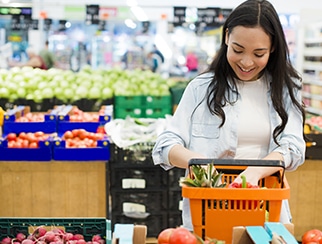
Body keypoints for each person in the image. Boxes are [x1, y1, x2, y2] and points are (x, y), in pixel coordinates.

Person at [152, 0, 306, 231]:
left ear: (273, 48)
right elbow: (165, 145)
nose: (246, 62)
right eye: (238, 50)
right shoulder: (201, 88)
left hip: (265, 213)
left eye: (258, 53)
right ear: (226, 38)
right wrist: (201, 165)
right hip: (207, 214)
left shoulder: (286, 89)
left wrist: (255, 172)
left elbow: (294, 147)